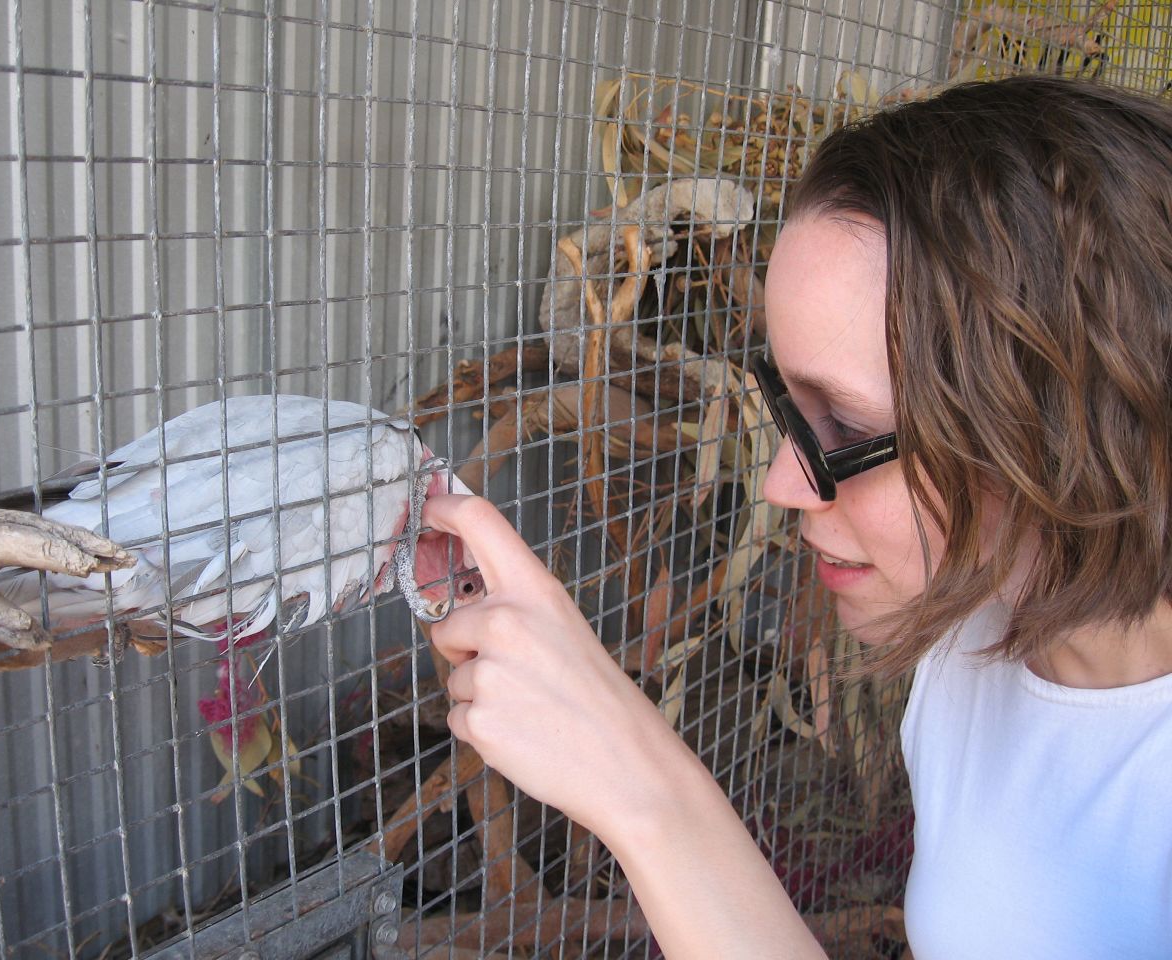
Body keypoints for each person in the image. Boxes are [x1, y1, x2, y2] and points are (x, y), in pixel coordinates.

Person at [421, 75, 1172, 959]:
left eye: (846, 426)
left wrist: (641, 782)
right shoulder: (972, 646)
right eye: (786, 401)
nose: (781, 484)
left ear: (1070, 430)